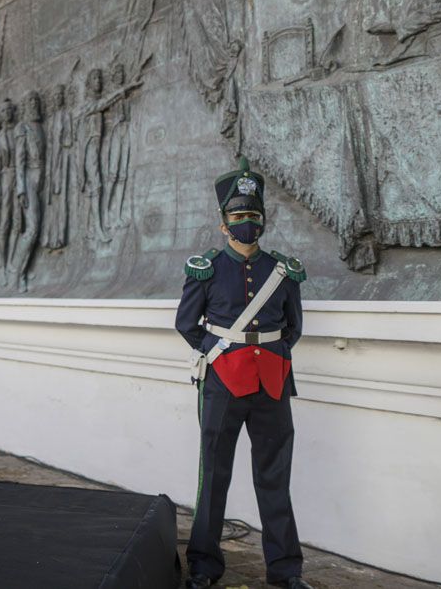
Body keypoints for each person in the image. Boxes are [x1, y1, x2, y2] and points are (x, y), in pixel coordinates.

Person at [174, 158, 311, 589]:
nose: (246, 223)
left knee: (275, 478)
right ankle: (204, 566)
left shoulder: (283, 272)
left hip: (272, 382)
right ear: (223, 223)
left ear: (263, 220)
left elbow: (292, 328)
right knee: (214, 477)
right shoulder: (208, 268)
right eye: (238, 216)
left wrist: (272, 356)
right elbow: (186, 324)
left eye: (253, 215)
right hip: (222, 382)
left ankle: (286, 571)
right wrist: (219, 356)